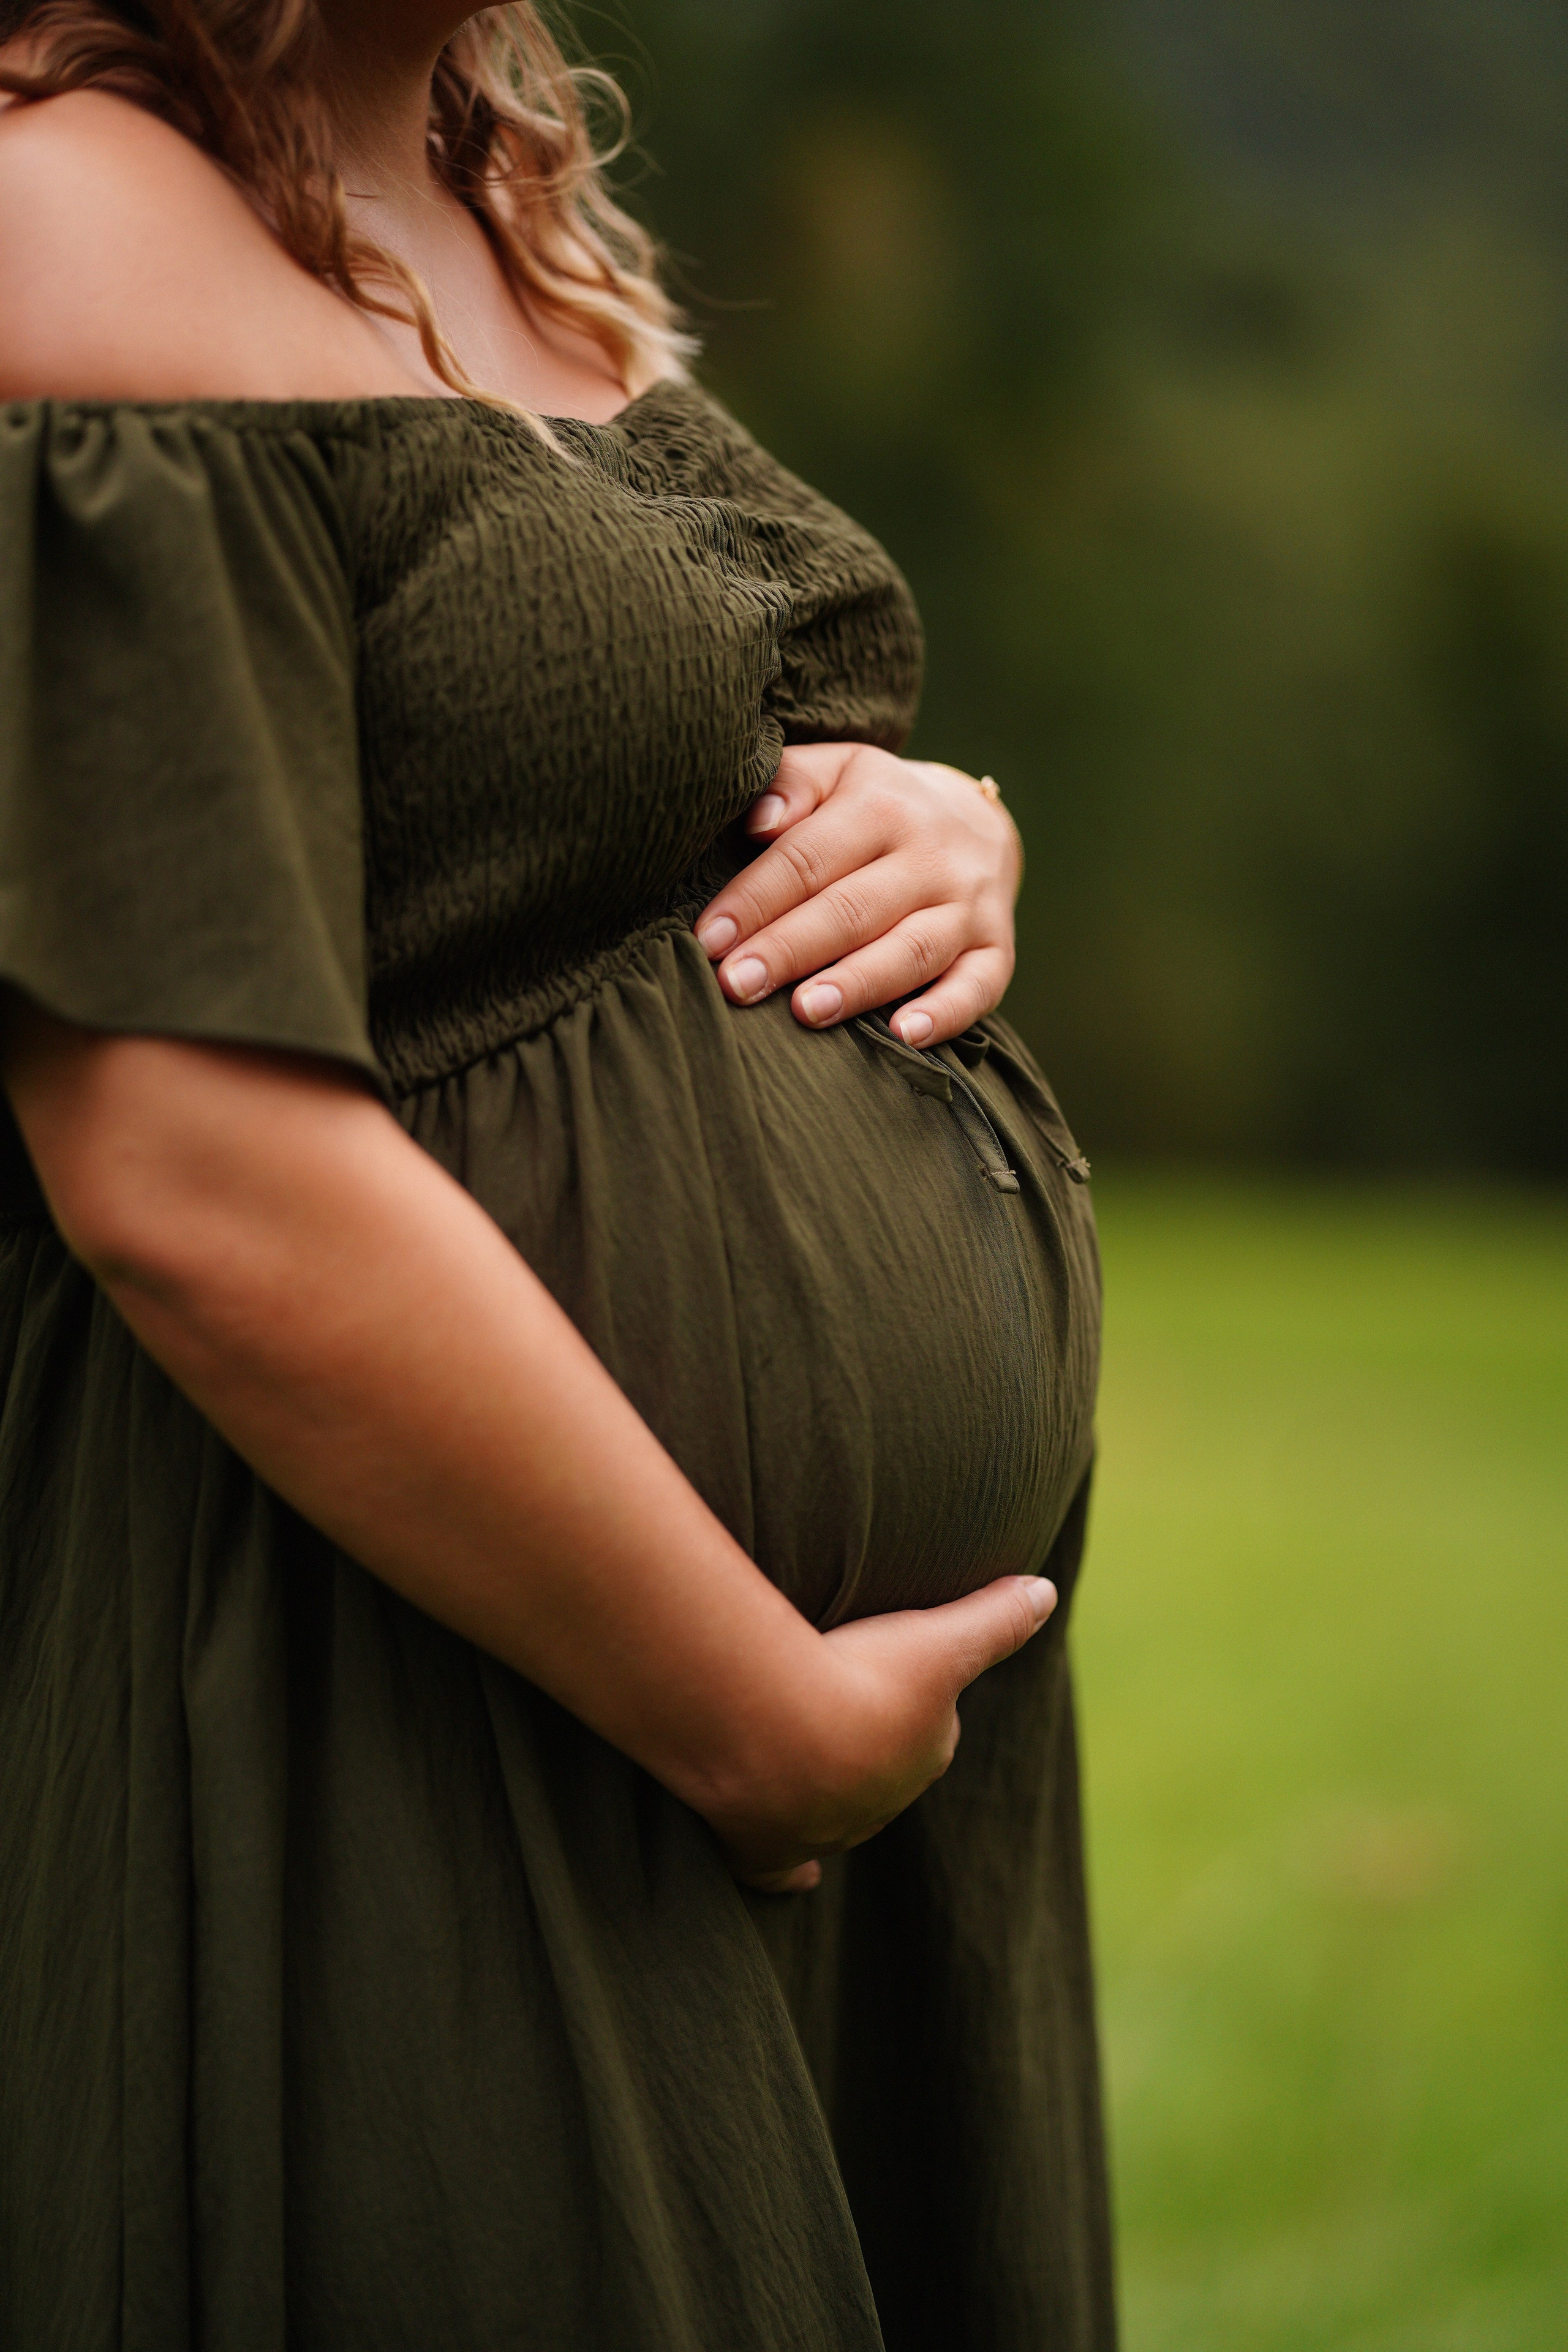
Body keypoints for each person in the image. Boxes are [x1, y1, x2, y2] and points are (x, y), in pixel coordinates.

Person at [0, 4, 1114, 2346]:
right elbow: (187, 1161)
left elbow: (661, 737)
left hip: (749, 1726)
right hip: (397, 1681)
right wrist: (750, 1710)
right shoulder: (56, 215)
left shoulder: (475, 165)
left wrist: (943, 829)